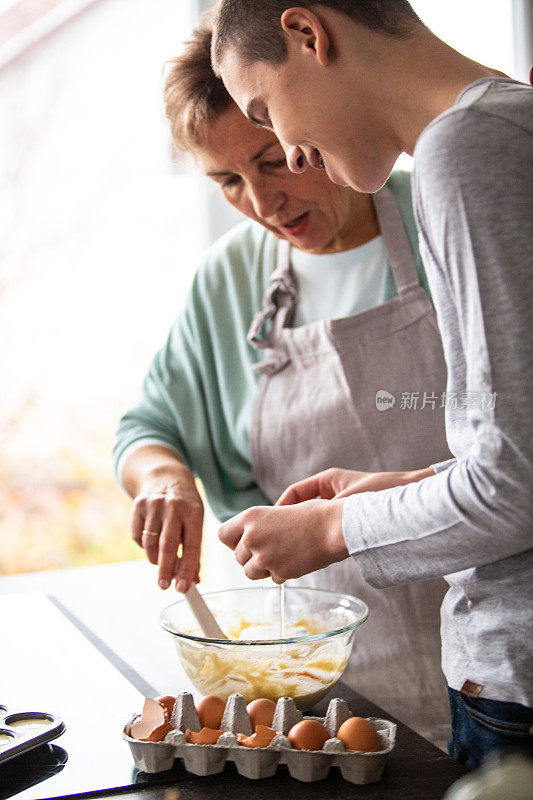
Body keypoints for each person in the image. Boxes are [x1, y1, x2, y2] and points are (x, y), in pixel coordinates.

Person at [113, 14, 455, 747]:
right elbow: (149, 427)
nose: (261, 204)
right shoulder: (230, 278)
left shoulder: (446, 212)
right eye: (227, 180)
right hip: (321, 676)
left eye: (273, 160)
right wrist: (165, 481)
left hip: (483, 657)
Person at [212, 0, 533, 769]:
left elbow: (515, 490)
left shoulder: (464, 150)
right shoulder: (510, 122)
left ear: (308, 34)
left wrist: (328, 532)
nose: (289, 155)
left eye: (265, 110)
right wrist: (405, 483)